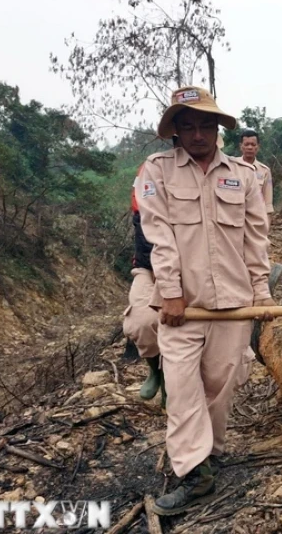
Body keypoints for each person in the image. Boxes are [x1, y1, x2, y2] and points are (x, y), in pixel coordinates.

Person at [137, 86, 275, 514]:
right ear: (175, 131)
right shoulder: (156, 170)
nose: (198, 134)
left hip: (233, 303)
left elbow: (256, 240)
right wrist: (172, 292)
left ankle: (209, 454)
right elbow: (157, 234)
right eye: (188, 126)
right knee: (181, 389)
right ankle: (194, 475)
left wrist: (262, 293)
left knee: (219, 386)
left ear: (218, 130)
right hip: (181, 308)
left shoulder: (244, 175)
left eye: (206, 126)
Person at [123, 163, 165, 407]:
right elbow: (142, 226)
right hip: (149, 265)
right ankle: (155, 369)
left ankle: (173, 377)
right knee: (140, 321)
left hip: (191, 267)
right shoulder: (147, 171)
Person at [238, 129, 274, 229]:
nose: (250, 147)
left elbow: (268, 204)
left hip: (255, 223)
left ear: (258, 147)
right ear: (241, 146)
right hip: (234, 222)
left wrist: (265, 230)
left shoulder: (265, 171)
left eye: (253, 145)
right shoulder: (231, 167)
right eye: (246, 144)